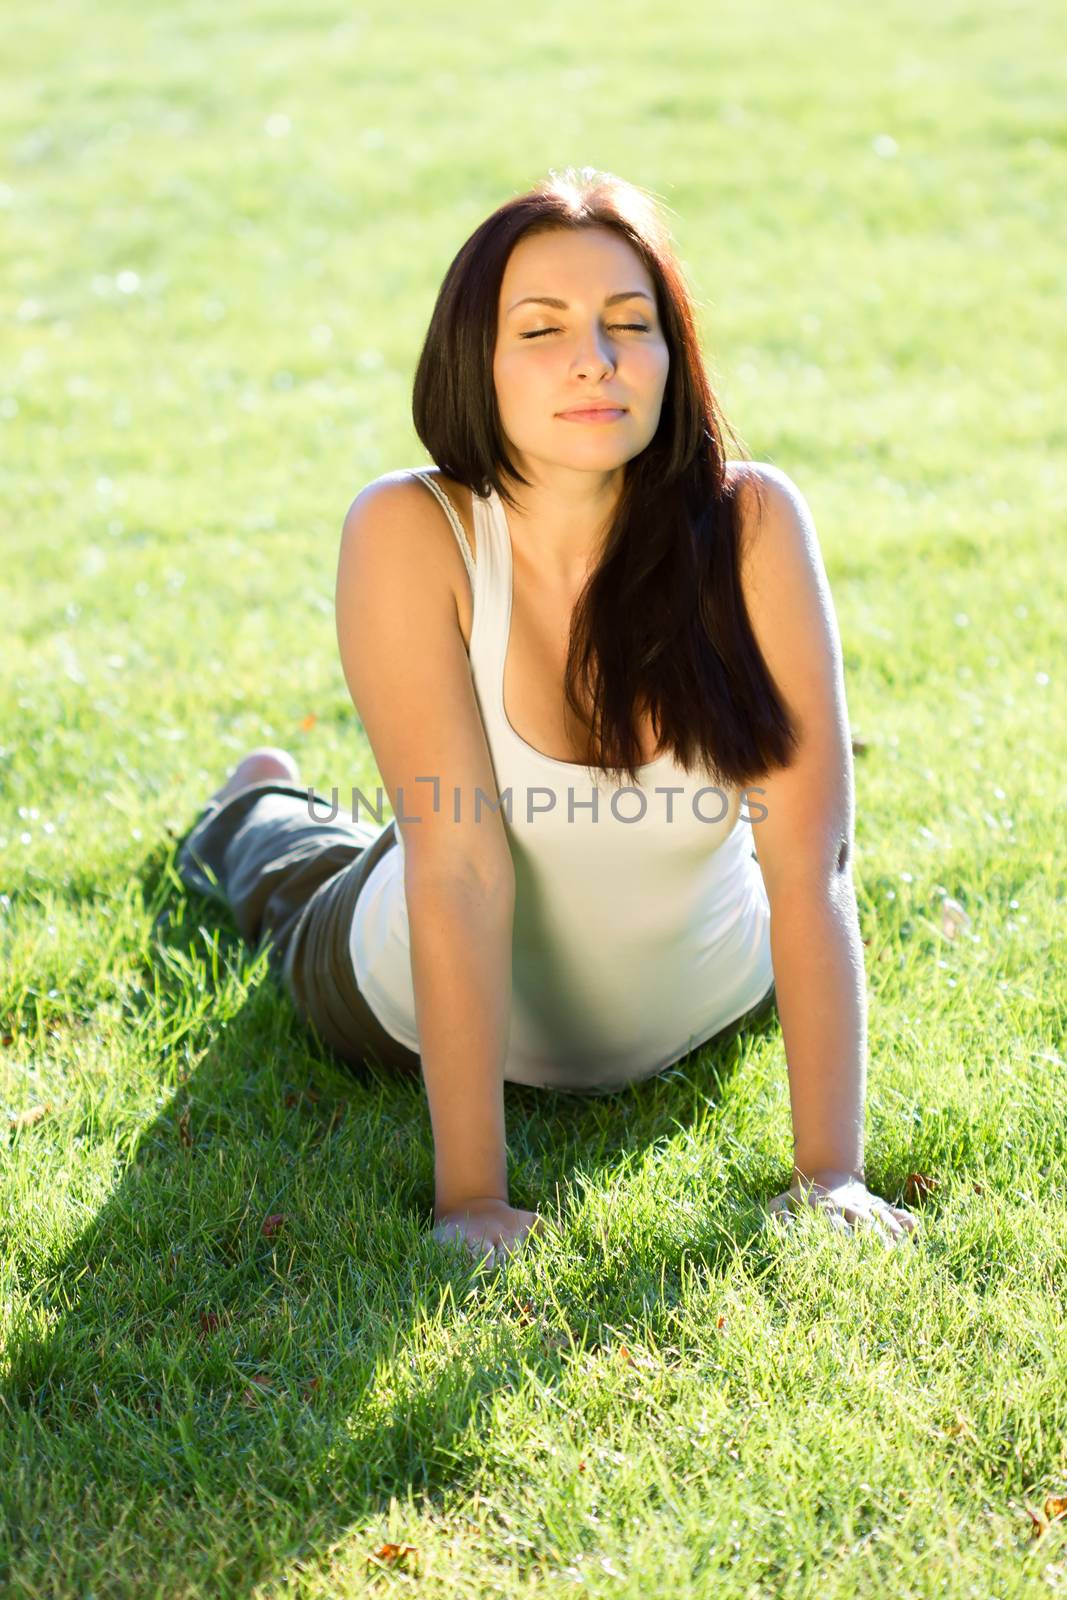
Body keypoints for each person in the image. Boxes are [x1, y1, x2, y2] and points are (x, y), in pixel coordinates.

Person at [176, 166, 920, 1266]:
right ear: (473, 360)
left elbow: (811, 865)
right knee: (304, 873)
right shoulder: (407, 527)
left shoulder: (754, 523)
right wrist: (472, 1198)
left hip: (702, 994)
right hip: (396, 989)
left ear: (672, 358)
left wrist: (831, 1178)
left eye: (631, 323)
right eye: (542, 328)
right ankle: (253, 807)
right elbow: (460, 869)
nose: (596, 357)